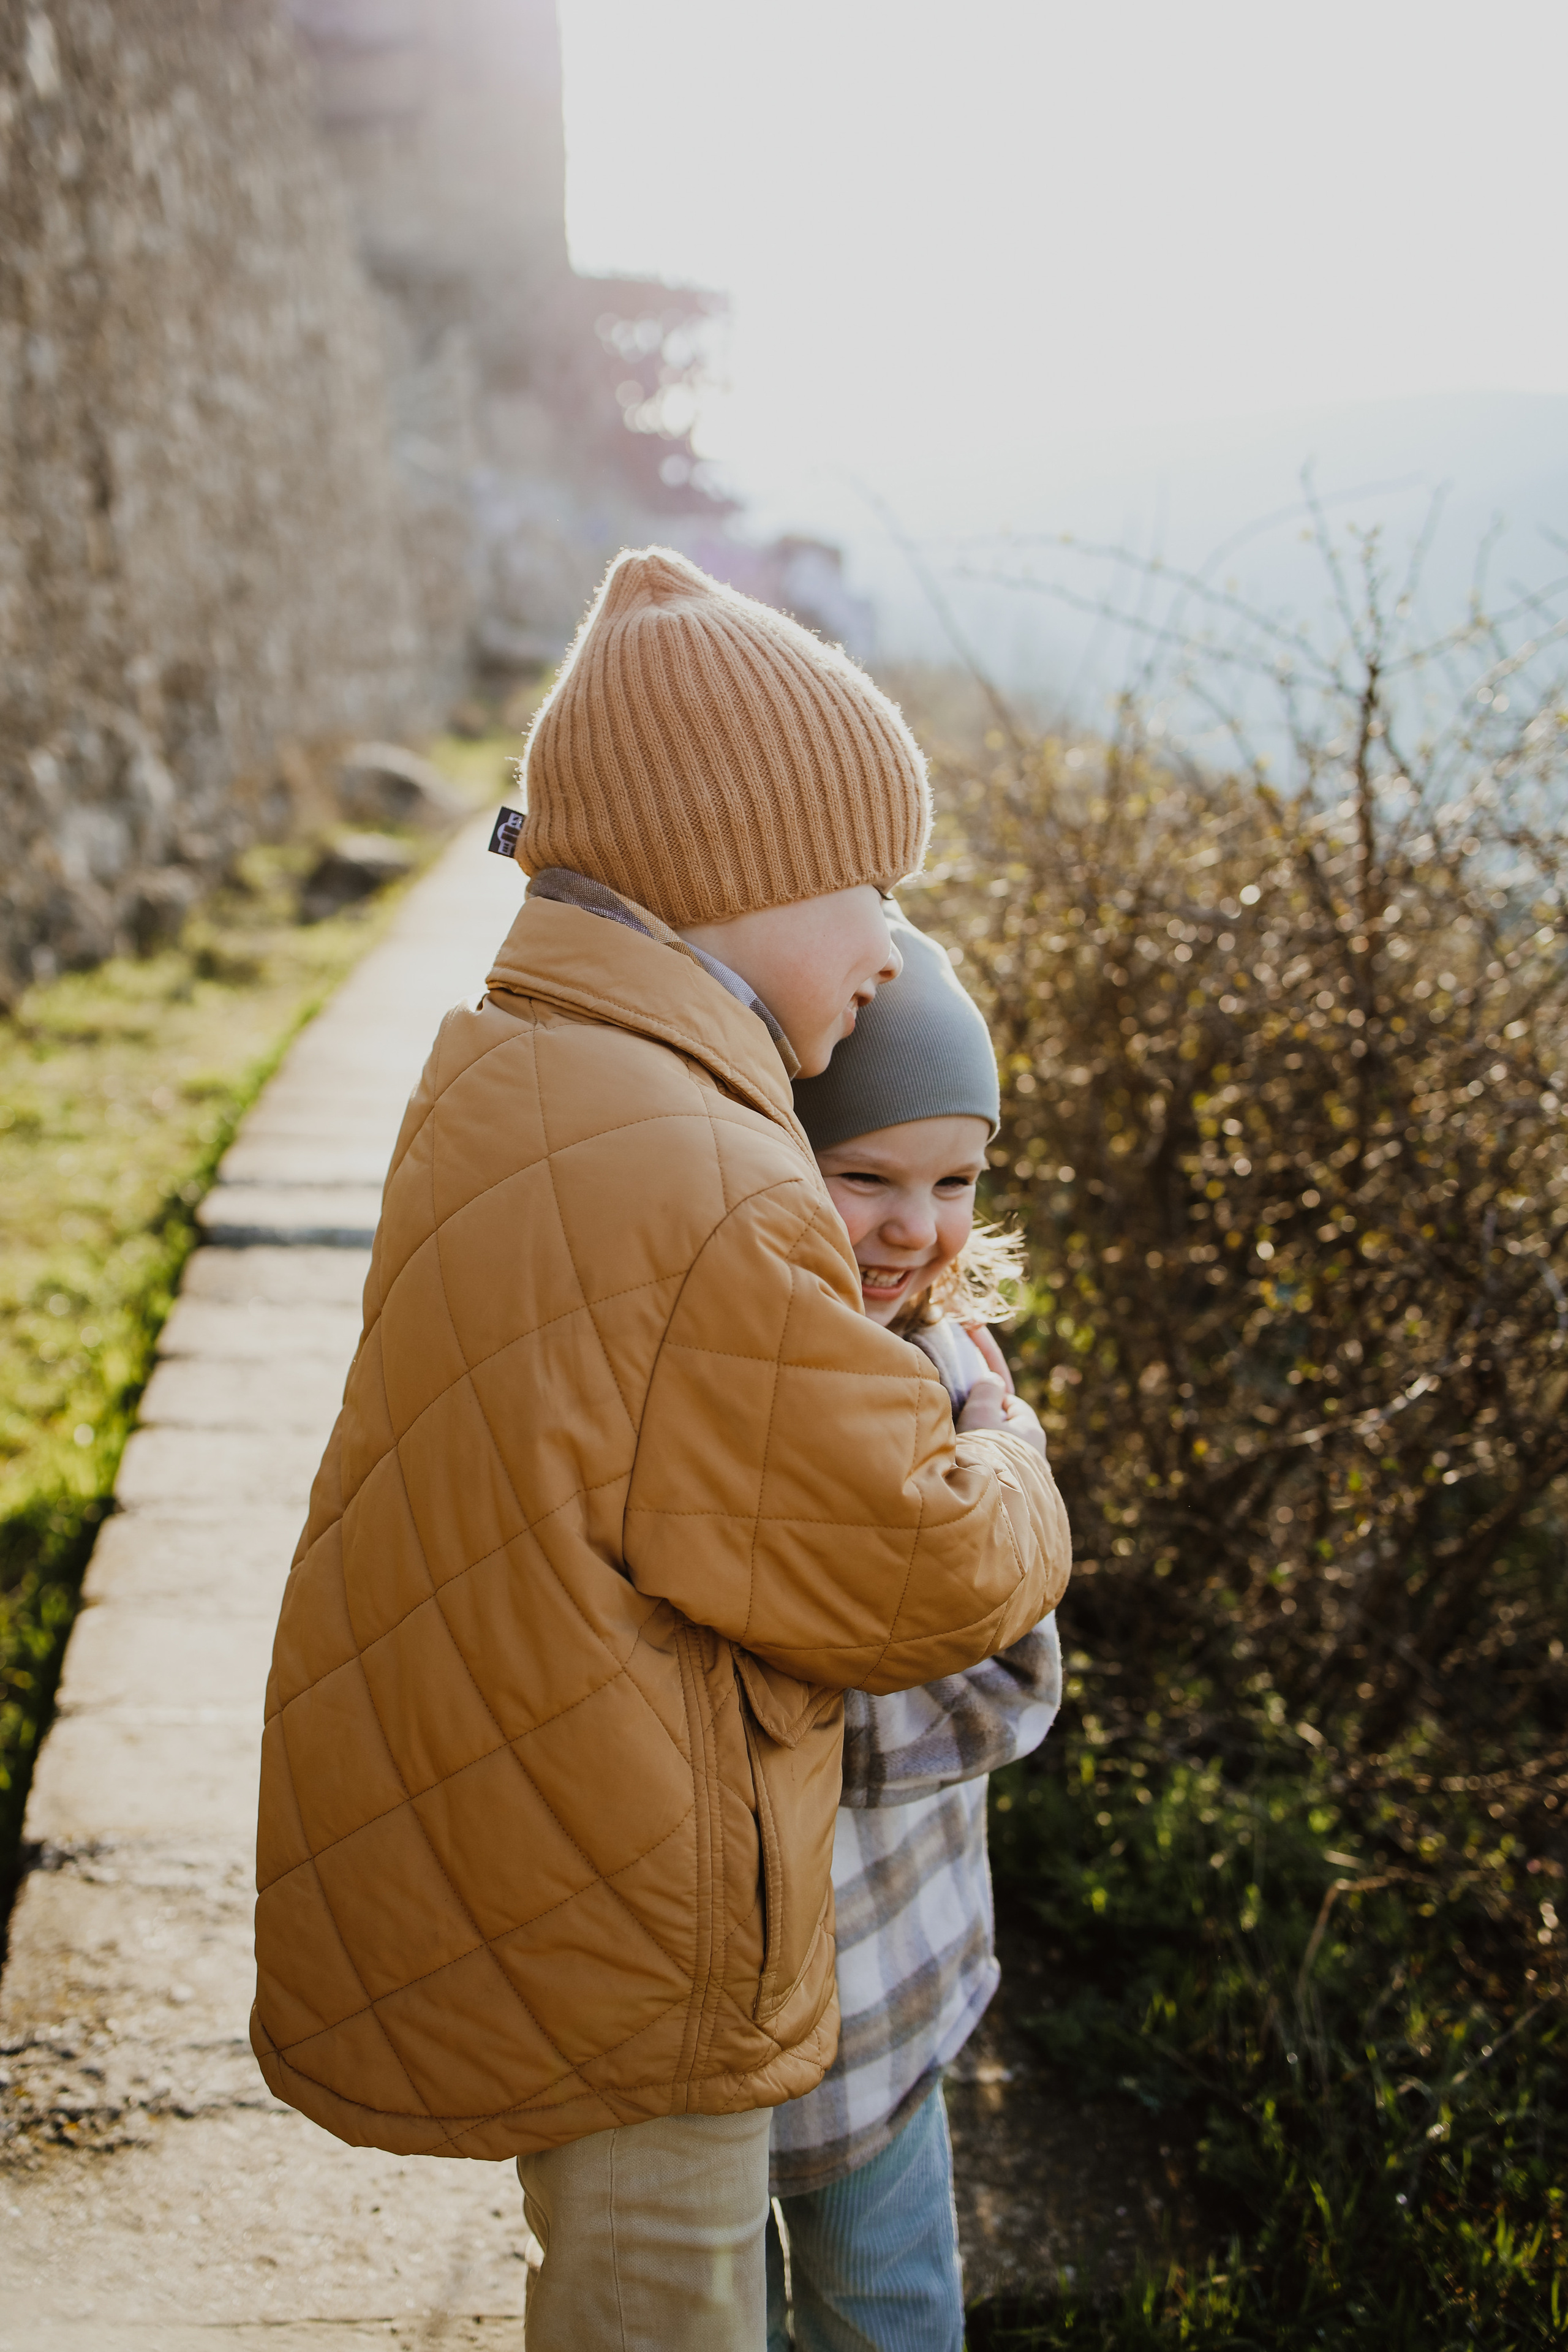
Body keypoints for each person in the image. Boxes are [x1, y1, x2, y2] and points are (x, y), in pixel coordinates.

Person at [250, 548, 1073, 2352]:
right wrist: (999, 1426)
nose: (885, 940)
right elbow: (927, 1567)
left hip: (528, 1821)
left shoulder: (516, 1060)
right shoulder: (701, 1167)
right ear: (730, 869)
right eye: (864, 882)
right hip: (626, 1879)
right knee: (665, 2309)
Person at [768, 912, 1064, 2352]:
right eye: (862, 1174)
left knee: (885, 2298)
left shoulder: (946, 1379)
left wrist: (999, 1440)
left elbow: (970, 1701)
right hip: (739, 1957)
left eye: (954, 1181)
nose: (913, 1226)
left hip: (883, 1961)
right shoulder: (777, 1380)